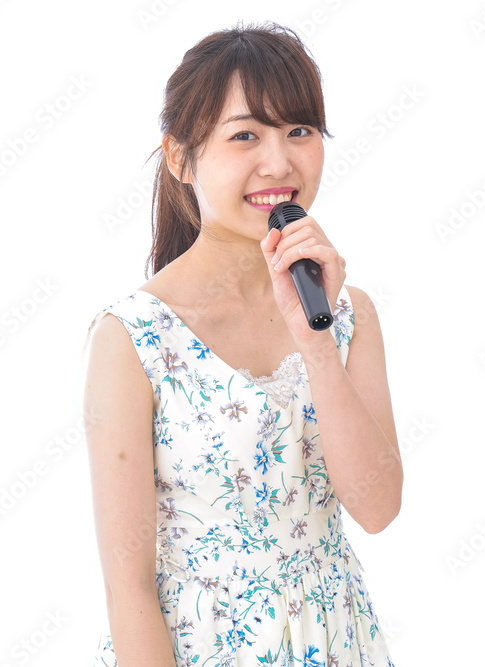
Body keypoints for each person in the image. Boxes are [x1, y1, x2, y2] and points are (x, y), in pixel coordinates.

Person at [81, 20, 402, 667]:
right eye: (245, 135)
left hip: (339, 641)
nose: (279, 163)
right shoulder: (132, 338)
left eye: (299, 131)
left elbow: (377, 508)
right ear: (180, 157)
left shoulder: (347, 314)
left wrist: (315, 342)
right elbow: (128, 586)